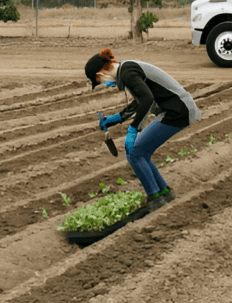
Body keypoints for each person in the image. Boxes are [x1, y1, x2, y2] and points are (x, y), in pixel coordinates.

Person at [85, 48, 201, 210]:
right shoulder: (127, 69)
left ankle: (155, 198)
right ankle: (164, 192)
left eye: (100, 81)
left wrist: (133, 130)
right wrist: (116, 118)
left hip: (177, 111)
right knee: (141, 152)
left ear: (102, 73)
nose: (104, 84)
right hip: (177, 109)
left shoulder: (128, 73)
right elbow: (141, 99)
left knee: (135, 152)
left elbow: (147, 99)